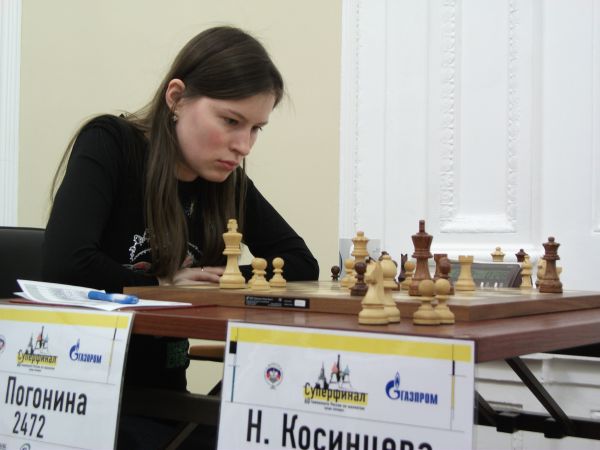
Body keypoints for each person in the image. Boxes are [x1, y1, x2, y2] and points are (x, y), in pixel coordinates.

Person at [42, 26, 319, 449]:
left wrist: (217, 281)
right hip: (86, 401)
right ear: (176, 98)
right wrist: (161, 284)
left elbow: (299, 261)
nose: (244, 146)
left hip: (169, 405)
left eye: (256, 129)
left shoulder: (225, 182)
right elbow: (66, 264)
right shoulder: (110, 144)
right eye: (231, 121)